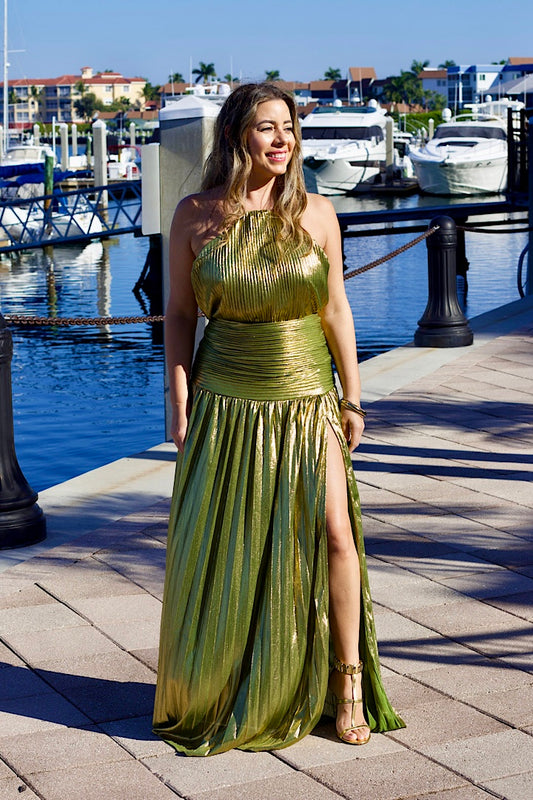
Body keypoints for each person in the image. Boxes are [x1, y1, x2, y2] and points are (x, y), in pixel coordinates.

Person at [153, 82, 404, 756]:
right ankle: (235, 685)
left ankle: (346, 684)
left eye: (288, 127)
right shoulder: (193, 215)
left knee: (333, 533)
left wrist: (352, 396)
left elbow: (335, 312)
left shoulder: (318, 213)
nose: (281, 140)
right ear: (237, 134)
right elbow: (178, 314)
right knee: (230, 546)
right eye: (267, 128)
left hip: (304, 392)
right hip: (224, 399)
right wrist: (177, 397)